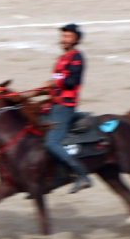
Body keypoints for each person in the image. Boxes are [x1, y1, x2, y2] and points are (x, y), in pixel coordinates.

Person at [39, 23, 92, 193]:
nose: (64, 39)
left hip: (65, 107)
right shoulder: (61, 59)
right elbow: (58, 81)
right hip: (54, 104)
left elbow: (72, 82)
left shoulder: (77, 57)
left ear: (76, 39)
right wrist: (45, 89)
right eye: (63, 36)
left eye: (68, 36)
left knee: (52, 142)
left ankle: (82, 174)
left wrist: (54, 82)